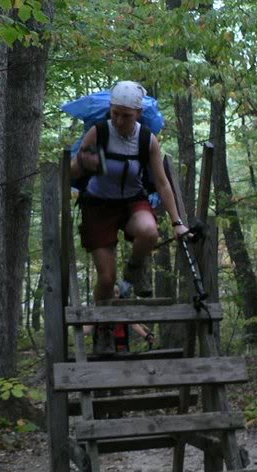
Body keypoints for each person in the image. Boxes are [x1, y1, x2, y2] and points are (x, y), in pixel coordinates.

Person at [70, 80, 189, 355]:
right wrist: (82, 163)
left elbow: (162, 183)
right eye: (115, 114)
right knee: (106, 278)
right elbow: (72, 173)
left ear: (138, 114)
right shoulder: (98, 132)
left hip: (132, 200)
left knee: (149, 231)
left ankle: (134, 272)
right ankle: (103, 329)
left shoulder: (147, 139)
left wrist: (177, 223)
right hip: (98, 205)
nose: (119, 120)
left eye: (126, 115)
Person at [85, 281, 155, 353]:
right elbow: (87, 329)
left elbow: (134, 325)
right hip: (103, 347)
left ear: (119, 294)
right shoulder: (98, 309)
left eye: (117, 293)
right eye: (112, 293)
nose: (115, 295)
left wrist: (146, 336)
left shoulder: (123, 309)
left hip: (121, 345)